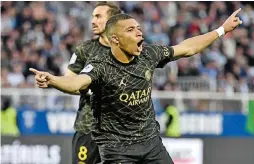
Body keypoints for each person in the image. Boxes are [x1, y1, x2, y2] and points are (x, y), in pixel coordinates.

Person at [30, 8, 242, 164]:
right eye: (131, 30)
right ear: (115, 39)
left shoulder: (148, 54)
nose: (139, 33)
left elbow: (187, 48)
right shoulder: (100, 65)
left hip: (151, 144)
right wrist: (53, 80)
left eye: (139, 28)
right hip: (117, 150)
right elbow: (77, 83)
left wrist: (222, 30)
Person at [63, 2, 121, 164]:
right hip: (88, 127)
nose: (92, 21)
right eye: (92, 16)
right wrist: (91, 90)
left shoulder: (128, 50)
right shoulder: (85, 49)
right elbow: (68, 81)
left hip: (119, 132)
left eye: (98, 16)